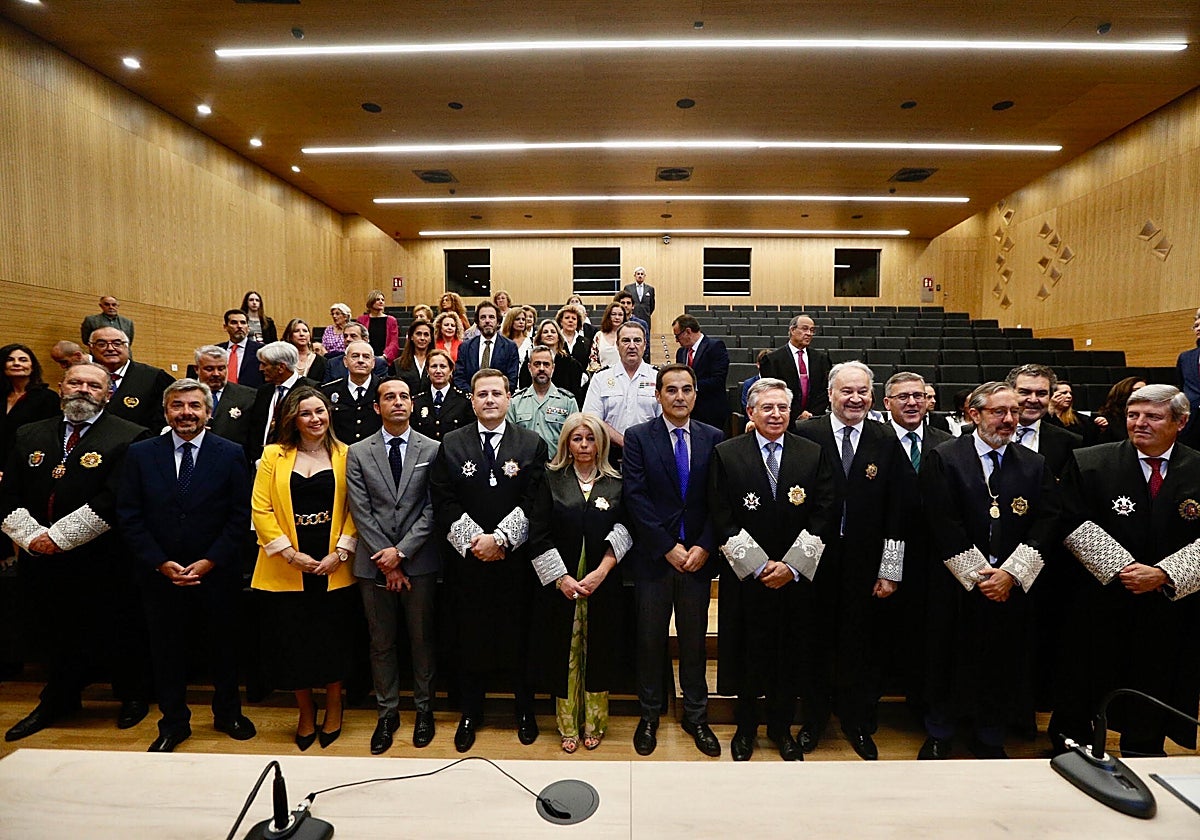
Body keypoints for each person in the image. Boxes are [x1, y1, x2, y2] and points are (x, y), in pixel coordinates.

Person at [2, 362, 153, 742]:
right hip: (40, 558)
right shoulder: (28, 433)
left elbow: (116, 496)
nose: (83, 389)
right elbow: (9, 493)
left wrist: (60, 538)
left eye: (93, 385)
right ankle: (59, 698)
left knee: (118, 627)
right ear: (60, 386)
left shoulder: (131, 436)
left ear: (107, 393)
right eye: (76, 382)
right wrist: (33, 537)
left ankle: (133, 696)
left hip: (105, 559)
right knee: (54, 630)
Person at [1053, 384, 1200, 756]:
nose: (1140, 423)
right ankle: (1075, 742)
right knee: (1088, 673)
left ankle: (1144, 744)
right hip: (1102, 599)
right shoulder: (1089, 461)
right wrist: (1124, 568)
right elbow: (1071, 522)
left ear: (1180, 422)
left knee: (1158, 675)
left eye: (1153, 416)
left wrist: (1166, 574)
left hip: (1170, 604)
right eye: (1134, 415)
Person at [917, 382, 1059, 760]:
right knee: (947, 657)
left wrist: (1010, 574)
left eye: (1013, 411)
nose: (1009, 419)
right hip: (956, 585)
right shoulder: (944, 457)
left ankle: (990, 735)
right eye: (999, 412)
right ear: (974, 414)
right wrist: (981, 575)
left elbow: (1047, 521)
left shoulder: (1033, 464)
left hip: (1010, 587)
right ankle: (940, 732)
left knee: (1002, 660)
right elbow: (941, 522)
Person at [116, 379, 256, 752]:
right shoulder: (141, 454)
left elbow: (240, 516)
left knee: (223, 649)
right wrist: (161, 563)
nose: (186, 413)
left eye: (195, 406)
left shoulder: (230, 453)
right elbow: (129, 515)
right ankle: (173, 722)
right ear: (166, 412)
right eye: (177, 406)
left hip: (216, 571)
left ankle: (228, 714)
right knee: (166, 652)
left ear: (209, 413)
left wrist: (209, 561)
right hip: (161, 575)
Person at [710, 378, 836, 761]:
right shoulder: (726, 453)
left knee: (789, 654)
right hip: (748, 579)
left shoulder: (812, 453)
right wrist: (760, 565)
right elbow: (721, 515)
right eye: (767, 408)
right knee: (748, 653)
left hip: (796, 582)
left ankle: (781, 729)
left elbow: (824, 513)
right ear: (751, 412)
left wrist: (792, 566)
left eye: (783, 407)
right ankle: (745, 729)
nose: (776, 414)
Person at [795, 361, 914, 760]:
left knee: (862, 644)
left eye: (862, 391)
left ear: (872, 395)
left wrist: (890, 570)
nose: (855, 398)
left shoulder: (886, 437)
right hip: (814, 560)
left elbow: (899, 509)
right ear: (830, 394)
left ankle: (858, 721)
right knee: (814, 642)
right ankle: (813, 720)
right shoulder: (806, 433)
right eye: (847, 391)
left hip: (867, 563)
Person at [430, 368, 548, 752]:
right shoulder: (450, 443)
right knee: (470, 634)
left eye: (497, 393)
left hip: (515, 563)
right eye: (482, 394)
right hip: (467, 562)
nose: (490, 400)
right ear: (473, 400)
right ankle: (471, 711)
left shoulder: (531, 444)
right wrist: (475, 541)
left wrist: (500, 539)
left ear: (509, 397)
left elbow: (534, 500)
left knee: (520, 632)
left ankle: (524, 709)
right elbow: (443, 500)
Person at [623, 364, 725, 758]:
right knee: (649, 641)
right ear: (658, 396)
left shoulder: (713, 437)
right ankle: (649, 715)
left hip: (698, 559)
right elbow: (635, 497)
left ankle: (696, 716)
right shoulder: (638, 438)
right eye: (671, 390)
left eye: (686, 389)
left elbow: (720, 500)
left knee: (694, 642)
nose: (679, 396)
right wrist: (667, 545)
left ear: (696, 395)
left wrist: (703, 546)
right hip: (655, 557)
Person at [250, 386, 358, 751]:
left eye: (321, 412)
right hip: (287, 565)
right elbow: (260, 509)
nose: (316, 419)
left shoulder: (347, 455)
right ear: (292, 419)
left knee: (333, 640)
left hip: (333, 565)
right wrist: (289, 554)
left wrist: (341, 552)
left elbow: (357, 509)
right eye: (307, 413)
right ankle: (305, 712)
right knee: (293, 642)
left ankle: (333, 707)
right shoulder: (273, 456)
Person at [346, 377, 441, 753]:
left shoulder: (433, 449)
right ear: (377, 407)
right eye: (389, 397)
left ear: (412, 405)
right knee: (381, 642)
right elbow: (360, 509)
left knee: (422, 640)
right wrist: (387, 559)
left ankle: (424, 709)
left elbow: (433, 508)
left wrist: (400, 554)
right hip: (373, 564)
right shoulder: (358, 451)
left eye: (404, 397)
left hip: (419, 562)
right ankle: (387, 713)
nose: (397, 402)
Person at [527, 413, 632, 753]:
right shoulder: (550, 479)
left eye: (590, 438)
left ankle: (596, 722)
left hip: (603, 582)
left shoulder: (617, 481)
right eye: (577, 439)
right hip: (562, 584)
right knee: (564, 653)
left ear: (601, 442)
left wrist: (602, 570)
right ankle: (568, 724)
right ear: (566, 443)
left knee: (598, 651)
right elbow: (538, 534)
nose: (584, 445)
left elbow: (626, 529)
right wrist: (561, 578)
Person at [881, 372, 952, 708]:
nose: (912, 403)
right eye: (903, 397)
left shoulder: (947, 443)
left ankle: (923, 696)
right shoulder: (875, 439)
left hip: (936, 554)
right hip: (884, 548)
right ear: (887, 403)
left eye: (918, 396)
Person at [582, 321, 661, 465]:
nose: (632, 346)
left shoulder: (658, 377)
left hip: (650, 454)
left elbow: (664, 419)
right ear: (617, 345)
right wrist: (625, 442)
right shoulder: (601, 378)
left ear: (645, 345)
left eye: (637, 340)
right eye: (625, 341)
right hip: (609, 456)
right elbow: (592, 419)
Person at [88, 327, 174, 432]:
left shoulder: (154, 377)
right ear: (91, 348)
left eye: (117, 343)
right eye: (102, 344)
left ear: (127, 346)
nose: (110, 348)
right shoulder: (82, 377)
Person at [247, 341, 320, 464]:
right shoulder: (264, 391)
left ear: (281, 367)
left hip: (294, 462)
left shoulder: (310, 390)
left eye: (265, 364)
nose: (261, 369)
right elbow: (255, 427)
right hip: (261, 462)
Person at [1006, 364, 1083, 477]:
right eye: (1025, 392)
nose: (1033, 400)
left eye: (1041, 394)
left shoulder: (1069, 442)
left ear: (1050, 396)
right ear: (1009, 393)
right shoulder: (977, 434)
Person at [0, 344, 60, 479]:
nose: (16, 363)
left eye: (23, 360)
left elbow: (47, 439)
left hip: (26, 467)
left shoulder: (47, 398)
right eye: (10, 359)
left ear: (32, 366)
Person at [758, 314, 832, 422]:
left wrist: (811, 414)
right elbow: (773, 391)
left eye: (812, 330)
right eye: (805, 329)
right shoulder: (772, 360)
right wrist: (798, 413)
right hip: (783, 418)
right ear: (792, 330)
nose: (809, 334)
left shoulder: (822, 359)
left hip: (814, 420)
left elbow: (825, 391)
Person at [507, 346, 578, 452]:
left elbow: (575, 438)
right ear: (529, 367)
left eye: (546, 364)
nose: (541, 368)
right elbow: (509, 440)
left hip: (557, 465)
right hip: (524, 466)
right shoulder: (515, 402)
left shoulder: (568, 402)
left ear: (553, 368)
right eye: (537, 364)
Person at [673, 314, 730, 433]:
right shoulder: (681, 352)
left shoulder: (715, 347)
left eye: (677, 336)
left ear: (688, 331)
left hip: (710, 411)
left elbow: (718, 380)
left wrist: (690, 387)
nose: (676, 340)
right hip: (687, 413)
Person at [193, 345, 257, 451]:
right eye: (209, 369)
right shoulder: (183, 394)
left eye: (221, 368)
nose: (216, 374)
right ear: (196, 369)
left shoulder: (249, 396)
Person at [321, 340, 383, 445]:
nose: (360, 360)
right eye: (355, 356)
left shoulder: (384, 389)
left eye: (366, 357)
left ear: (373, 363)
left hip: (376, 452)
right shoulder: (328, 391)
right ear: (345, 361)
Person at [454, 300, 520, 393]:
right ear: (477, 322)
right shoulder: (465, 347)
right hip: (470, 400)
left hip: (499, 400)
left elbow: (511, 380)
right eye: (483, 317)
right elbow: (459, 378)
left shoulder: (510, 347)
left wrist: (494, 395)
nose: (487, 321)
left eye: (492, 317)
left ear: (498, 321)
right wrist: (476, 395)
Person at [411, 349, 474, 442]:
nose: (438, 371)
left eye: (443, 366)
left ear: (451, 370)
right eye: (434, 366)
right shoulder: (417, 401)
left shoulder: (464, 401)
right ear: (427, 370)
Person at [517, 319, 585, 405]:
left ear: (559, 337)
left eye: (553, 332)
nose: (549, 334)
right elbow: (524, 388)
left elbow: (576, 394)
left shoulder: (572, 364)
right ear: (540, 336)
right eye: (545, 332)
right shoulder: (530, 362)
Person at [323, 321, 388, 382]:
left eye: (353, 336)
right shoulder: (332, 363)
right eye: (345, 336)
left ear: (365, 339)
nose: (348, 339)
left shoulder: (379, 363)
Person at [217, 309, 265, 388]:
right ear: (225, 327)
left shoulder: (261, 350)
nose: (239, 326)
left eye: (243, 323)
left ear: (248, 328)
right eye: (234, 322)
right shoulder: (217, 350)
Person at [1174, 307, 1200, 448]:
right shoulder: (1186, 357)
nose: (1198, 329)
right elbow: (1181, 386)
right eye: (1196, 325)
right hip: (1192, 421)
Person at [1093, 376, 1146, 443]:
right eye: (1137, 390)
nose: (1143, 394)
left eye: (1145, 391)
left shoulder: (1148, 416)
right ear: (1125, 392)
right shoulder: (1107, 419)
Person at [358, 289, 401, 364]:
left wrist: (384, 356)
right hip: (365, 358)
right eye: (378, 299)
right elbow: (359, 340)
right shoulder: (362, 320)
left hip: (384, 359)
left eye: (383, 300)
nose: (381, 302)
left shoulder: (391, 320)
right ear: (371, 302)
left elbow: (394, 342)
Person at [556, 303, 594, 382]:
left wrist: (586, 376)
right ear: (561, 321)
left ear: (578, 323)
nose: (570, 320)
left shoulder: (586, 342)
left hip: (581, 386)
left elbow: (590, 365)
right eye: (567, 318)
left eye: (574, 318)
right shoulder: (555, 340)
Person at [394, 318, 433, 394]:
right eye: (418, 334)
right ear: (411, 337)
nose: (422, 338)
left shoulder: (437, 362)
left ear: (431, 338)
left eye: (426, 334)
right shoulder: (398, 364)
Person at [282, 317, 327, 382]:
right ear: (290, 336)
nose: (302, 334)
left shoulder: (322, 361)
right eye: (296, 331)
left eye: (305, 331)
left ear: (309, 336)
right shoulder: (283, 360)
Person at [589, 302, 625, 372]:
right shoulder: (599, 336)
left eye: (620, 315)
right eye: (613, 314)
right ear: (608, 316)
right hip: (603, 376)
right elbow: (593, 359)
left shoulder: (628, 336)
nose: (617, 317)